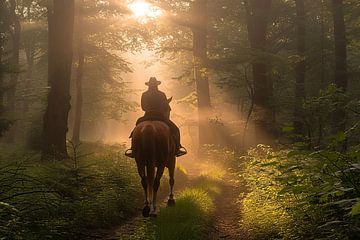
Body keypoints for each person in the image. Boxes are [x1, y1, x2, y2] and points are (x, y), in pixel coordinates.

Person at [125, 77, 187, 158]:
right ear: (157, 85)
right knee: (175, 129)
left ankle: (133, 149)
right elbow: (165, 107)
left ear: (149, 85)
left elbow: (143, 107)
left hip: (147, 115)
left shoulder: (144, 94)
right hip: (160, 116)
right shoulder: (162, 94)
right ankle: (178, 149)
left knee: (136, 127)